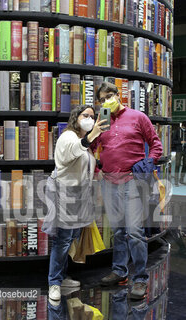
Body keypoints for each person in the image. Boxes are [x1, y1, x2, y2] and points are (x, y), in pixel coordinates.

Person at [90, 82, 163, 300]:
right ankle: (120, 272)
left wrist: (149, 163)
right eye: (102, 99)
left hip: (133, 180)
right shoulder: (101, 121)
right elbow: (92, 148)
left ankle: (140, 278)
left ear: (118, 95)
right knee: (119, 231)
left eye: (110, 96)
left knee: (134, 231)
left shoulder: (138, 117)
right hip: (109, 181)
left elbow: (156, 144)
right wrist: (97, 168)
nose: (107, 101)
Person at [48, 105, 108, 301]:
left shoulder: (84, 141)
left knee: (70, 238)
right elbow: (72, 152)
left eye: (92, 116)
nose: (89, 119)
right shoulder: (68, 137)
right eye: (85, 115)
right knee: (63, 240)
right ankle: (54, 283)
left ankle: (62, 277)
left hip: (79, 197)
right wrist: (91, 137)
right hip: (65, 195)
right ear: (76, 117)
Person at [173, 121, 186, 185]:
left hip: (185, 150)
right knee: (177, 165)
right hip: (179, 150)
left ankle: (181, 180)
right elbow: (173, 141)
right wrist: (180, 142)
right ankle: (176, 181)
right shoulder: (177, 131)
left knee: (185, 165)